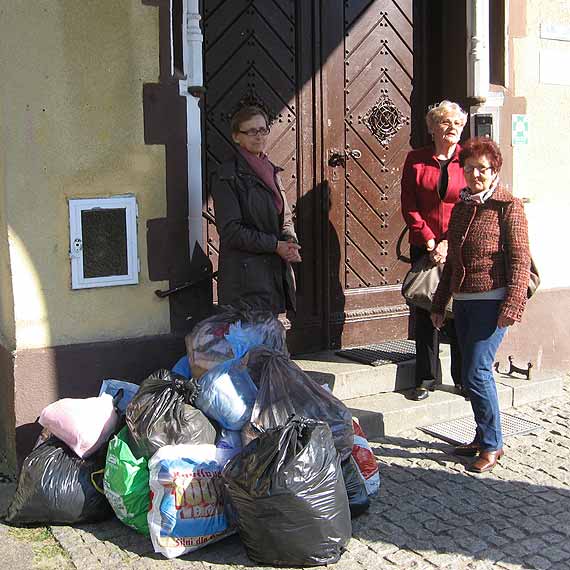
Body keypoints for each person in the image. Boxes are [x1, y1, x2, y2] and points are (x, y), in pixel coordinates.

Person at [431, 137, 531, 473]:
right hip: (463, 301)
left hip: (492, 300)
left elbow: (519, 260)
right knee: (468, 374)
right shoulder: (462, 207)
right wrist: (439, 302)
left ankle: (493, 445)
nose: (476, 175)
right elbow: (453, 262)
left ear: (495, 171)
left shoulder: (508, 206)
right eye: (470, 168)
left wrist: (513, 303)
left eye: (483, 169)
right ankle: (481, 435)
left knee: (477, 372)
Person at [400, 101, 467, 401]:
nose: (452, 127)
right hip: (424, 248)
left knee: (459, 311)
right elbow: (409, 205)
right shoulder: (415, 159)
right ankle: (426, 378)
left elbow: (471, 205)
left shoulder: (468, 160)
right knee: (426, 309)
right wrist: (428, 240)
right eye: (446, 122)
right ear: (433, 127)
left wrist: (448, 243)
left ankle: (463, 378)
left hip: (460, 247)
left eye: (457, 122)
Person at [211, 105, 301, 315]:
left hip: (272, 272)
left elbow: (284, 216)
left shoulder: (271, 169)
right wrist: (275, 245)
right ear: (236, 137)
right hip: (246, 279)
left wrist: (290, 242)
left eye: (262, 130)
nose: (258, 136)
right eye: (251, 131)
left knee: (269, 340)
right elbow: (231, 231)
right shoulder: (226, 176)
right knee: (251, 342)